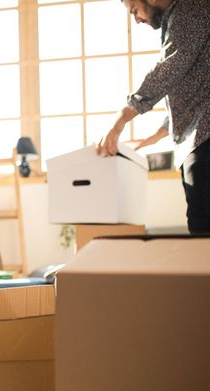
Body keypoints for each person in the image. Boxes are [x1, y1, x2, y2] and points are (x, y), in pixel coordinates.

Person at [97, 0, 210, 234]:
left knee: (202, 229)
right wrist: (149, 140)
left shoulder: (190, 8)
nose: (136, 19)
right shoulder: (177, 17)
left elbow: (169, 69)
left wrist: (120, 119)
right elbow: (194, 93)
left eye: (135, 10)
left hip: (205, 140)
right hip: (197, 138)